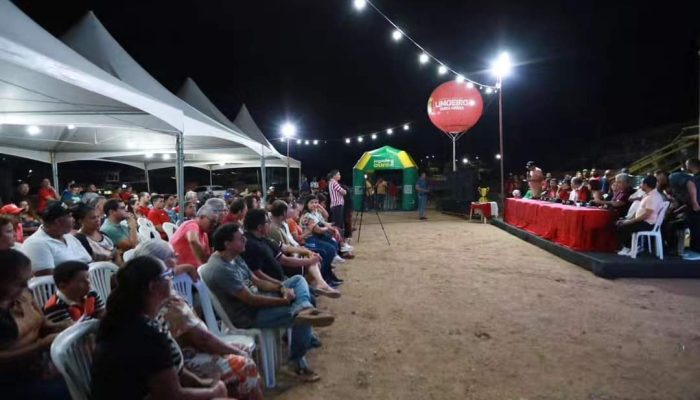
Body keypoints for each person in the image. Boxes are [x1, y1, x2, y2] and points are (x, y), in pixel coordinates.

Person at [200, 223, 335, 382]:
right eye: (240, 238)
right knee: (301, 317)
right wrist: (284, 302)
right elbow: (251, 300)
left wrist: (281, 287)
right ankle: (296, 363)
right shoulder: (221, 270)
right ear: (227, 244)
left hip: (257, 301)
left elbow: (257, 281)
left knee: (298, 281)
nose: (245, 240)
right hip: (250, 315)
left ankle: (302, 308)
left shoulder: (233, 257)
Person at [132, 241, 263, 399]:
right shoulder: (165, 302)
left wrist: (186, 268)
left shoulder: (150, 290)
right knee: (245, 363)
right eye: (172, 255)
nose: (177, 256)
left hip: (186, 355)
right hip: (187, 356)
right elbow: (201, 340)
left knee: (242, 357)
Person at [91, 256, 229, 399]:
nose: (171, 278)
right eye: (167, 275)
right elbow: (171, 396)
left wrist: (205, 385)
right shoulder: (143, 332)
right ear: (153, 286)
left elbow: (176, 371)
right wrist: (213, 393)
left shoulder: (144, 318)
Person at [0, 249, 71, 399]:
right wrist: (39, 346)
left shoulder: (24, 294)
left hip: (36, 364)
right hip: (10, 377)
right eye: (18, 283)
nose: (26, 286)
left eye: (28, 279)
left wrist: (61, 326)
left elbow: (43, 323)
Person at [265, 201, 340, 297]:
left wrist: (306, 252)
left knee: (320, 253)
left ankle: (321, 284)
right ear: (283, 213)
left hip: (295, 250)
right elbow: (286, 251)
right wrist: (304, 253)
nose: (292, 211)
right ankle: (317, 286)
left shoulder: (282, 224)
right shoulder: (274, 229)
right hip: (287, 260)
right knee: (320, 254)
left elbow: (287, 246)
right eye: (289, 209)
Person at [21, 201, 92, 276]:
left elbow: (88, 261)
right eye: (70, 216)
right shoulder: (36, 244)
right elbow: (48, 279)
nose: (73, 219)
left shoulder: (68, 236)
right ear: (58, 222)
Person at [615, 176, 664, 256]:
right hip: (642, 221)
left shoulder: (653, 197)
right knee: (621, 223)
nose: (640, 185)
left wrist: (631, 221)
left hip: (648, 224)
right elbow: (640, 211)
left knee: (623, 227)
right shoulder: (647, 195)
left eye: (641, 183)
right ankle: (630, 247)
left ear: (645, 184)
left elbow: (646, 215)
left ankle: (630, 247)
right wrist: (629, 219)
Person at [685, 158, 700, 251]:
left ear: (690, 166)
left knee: (693, 230)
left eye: (687, 166)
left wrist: (694, 203)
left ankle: (693, 250)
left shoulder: (693, 180)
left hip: (695, 208)